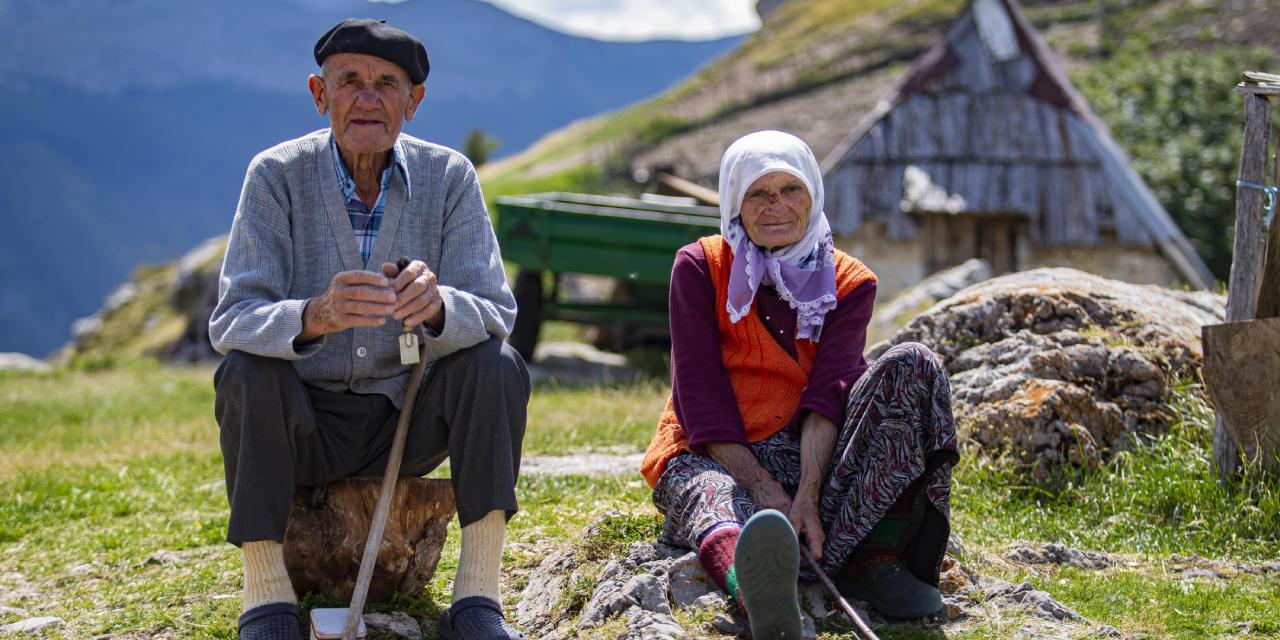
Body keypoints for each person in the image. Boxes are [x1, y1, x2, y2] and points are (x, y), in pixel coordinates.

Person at [209, 19, 528, 640]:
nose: (368, 98)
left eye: (387, 84)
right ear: (319, 94)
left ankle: (477, 598)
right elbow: (233, 317)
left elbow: (496, 309)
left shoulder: (449, 176)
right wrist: (313, 316)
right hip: (303, 424)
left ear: (414, 101)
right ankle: (267, 598)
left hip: (408, 421)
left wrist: (439, 307)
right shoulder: (275, 175)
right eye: (350, 81)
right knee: (244, 371)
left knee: (496, 365)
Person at [640, 130, 959, 635]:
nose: (777, 206)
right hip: (714, 451)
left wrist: (807, 494)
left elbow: (829, 391)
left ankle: (873, 560)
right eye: (758, 194)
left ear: (812, 194)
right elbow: (699, 394)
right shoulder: (700, 266)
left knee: (913, 363)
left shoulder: (851, 282)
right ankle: (760, 595)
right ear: (734, 201)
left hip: (812, 452)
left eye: (791, 190)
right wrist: (762, 487)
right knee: (711, 496)